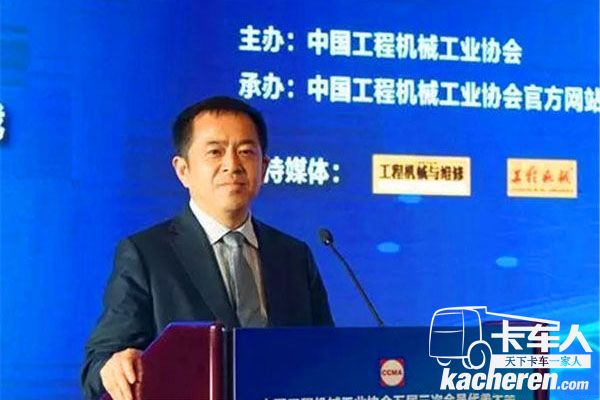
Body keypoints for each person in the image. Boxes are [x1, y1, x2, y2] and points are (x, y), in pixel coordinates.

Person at [81, 96, 334, 400]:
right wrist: (113, 366)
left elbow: (327, 356)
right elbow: (98, 366)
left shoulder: (294, 256)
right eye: (215, 152)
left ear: (264, 167)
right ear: (183, 170)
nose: (232, 166)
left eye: (246, 152)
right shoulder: (146, 254)